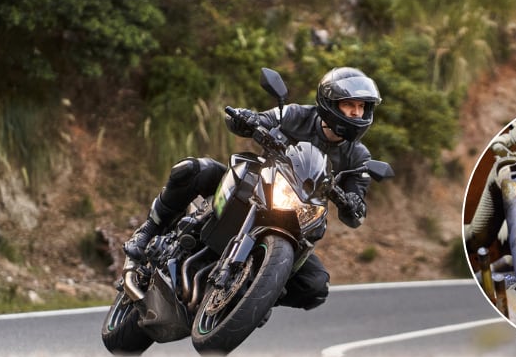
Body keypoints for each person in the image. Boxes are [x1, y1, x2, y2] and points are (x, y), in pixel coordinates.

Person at [123, 66, 381, 311]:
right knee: (193, 170)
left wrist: (353, 204)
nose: (356, 113)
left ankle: (251, 298)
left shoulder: (359, 158)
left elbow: (356, 208)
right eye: (349, 105)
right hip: (259, 188)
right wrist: (248, 118)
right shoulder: (295, 115)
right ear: (330, 103)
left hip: (298, 219)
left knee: (315, 286)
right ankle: (148, 231)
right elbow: (257, 120)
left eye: (361, 107)